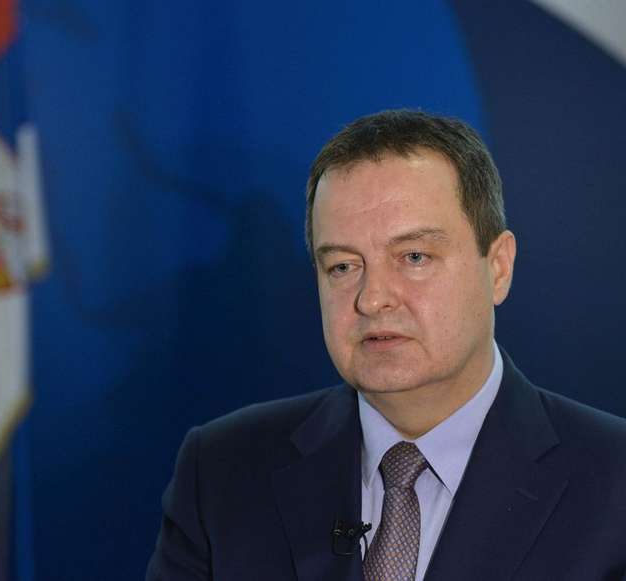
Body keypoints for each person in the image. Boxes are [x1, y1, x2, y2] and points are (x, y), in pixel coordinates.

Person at [145, 110, 626, 580]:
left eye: (414, 257)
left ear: (498, 267)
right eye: (342, 266)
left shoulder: (614, 482)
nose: (372, 298)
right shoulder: (221, 471)